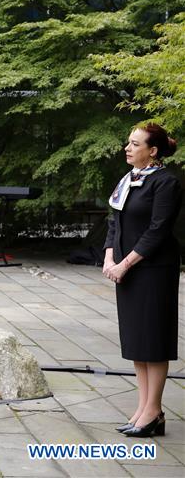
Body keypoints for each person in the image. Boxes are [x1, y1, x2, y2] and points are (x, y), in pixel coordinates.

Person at [104, 123, 181, 438]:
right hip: (127, 270)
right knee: (137, 341)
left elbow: (158, 230)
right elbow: (115, 222)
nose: (127, 147)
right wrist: (109, 258)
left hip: (153, 271)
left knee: (154, 341)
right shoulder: (129, 179)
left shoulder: (166, 183)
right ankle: (144, 408)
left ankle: (153, 410)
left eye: (135, 144)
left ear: (153, 151)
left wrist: (125, 264)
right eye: (128, 142)